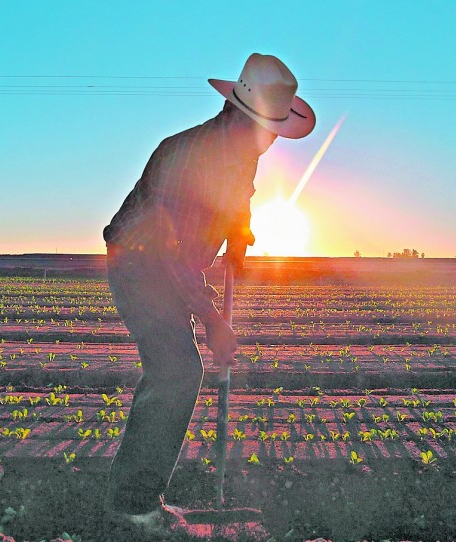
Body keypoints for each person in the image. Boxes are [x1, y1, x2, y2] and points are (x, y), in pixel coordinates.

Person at [102, 52, 315, 536]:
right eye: (266, 129)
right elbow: (167, 256)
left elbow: (237, 202)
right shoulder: (188, 156)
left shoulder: (243, 156)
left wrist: (239, 238)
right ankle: (132, 506)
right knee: (177, 370)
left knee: (178, 369)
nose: (270, 141)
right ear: (236, 115)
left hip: (173, 263)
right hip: (139, 261)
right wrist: (214, 319)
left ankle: (131, 494)